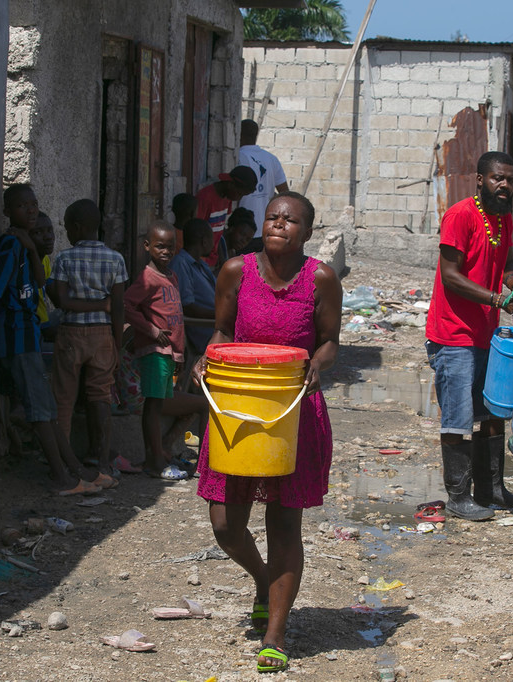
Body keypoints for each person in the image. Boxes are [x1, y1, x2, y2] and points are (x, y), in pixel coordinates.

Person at [192, 191, 341, 673]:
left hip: (293, 414)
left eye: (291, 220)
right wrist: (204, 359)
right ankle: (261, 580)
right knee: (225, 525)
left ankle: (275, 634)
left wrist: (317, 365)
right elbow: (221, 332)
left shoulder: (320, 279)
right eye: (273, 218)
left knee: (283, 524)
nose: (279, 225)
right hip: (238, 412)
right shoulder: (237, 271)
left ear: (307, 231)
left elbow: (330, 341)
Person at [0, 184, 111, 494]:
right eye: (22, 206)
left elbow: (40, 282)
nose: (30, 210)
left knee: (48, 407)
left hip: (28, 336)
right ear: (7, 212)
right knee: (41, 409)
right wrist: (15, 313)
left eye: (33, 204)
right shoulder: (10, 245)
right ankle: (61, 477)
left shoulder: (24, 247)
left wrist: (30, 248)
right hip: (17, 333)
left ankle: (75, 470)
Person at [425, 151, 513, 521]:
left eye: (510, 180)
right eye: (498, 178)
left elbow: (508, 262)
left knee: (493, 411)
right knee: (459, 418)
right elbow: (451, 275)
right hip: (453, 334)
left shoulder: (504, 218)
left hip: (486, 332)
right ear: (480, 180)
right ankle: (458, 495)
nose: (505, 185)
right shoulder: (461, 215)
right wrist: (498, 298)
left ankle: (492, 489)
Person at [48, 198, 127, 482]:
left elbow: (64, 301)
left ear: (77, 227)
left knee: (64, 399)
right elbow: (117, 307)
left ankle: (64, 461)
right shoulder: (115, 259)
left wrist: (83, 304)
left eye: (68, 227)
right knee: (100, 397)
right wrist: (116, 343)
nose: (67, 232)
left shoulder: (64, 259)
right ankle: (102, 460)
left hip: (70, 334)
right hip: (103, 335)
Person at [124, 220, 189, 481]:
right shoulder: (147, 278)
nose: (166, 252)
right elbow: (127, 305)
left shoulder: (170, 276)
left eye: (170, 247)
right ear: (147, 246)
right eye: (160, 246)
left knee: (158, 403)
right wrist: (150, 330)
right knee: (153, 405)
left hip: (168, 353)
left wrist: (179, 354)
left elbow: (174, 317)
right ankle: (156, 461)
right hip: (154, 350)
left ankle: (156, 457)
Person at [238, 119, 289, 253]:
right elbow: (285, 193)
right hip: (265, 229)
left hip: (241, 232)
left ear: (239, 133)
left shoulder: (237, 157)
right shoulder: (271, 159)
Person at [195, 165, 257, 270]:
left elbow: (219, 231)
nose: (239, 198)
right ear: (231, 184)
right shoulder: (205, 197)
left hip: (214, 260)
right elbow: (196, 232)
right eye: (239, 193)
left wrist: (222, 259)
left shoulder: (227, 198)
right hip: (201, 260)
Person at [170, 218, 217, 354]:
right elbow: (188, 308)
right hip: (205, 328)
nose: (214, 244)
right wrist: (220, 315)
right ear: (204, 241)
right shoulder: (181, 264)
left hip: (216, 323)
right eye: (211, 239)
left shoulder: (201, 264)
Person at [29, 212, 59, 342]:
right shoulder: (25, 262)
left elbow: (57, 299)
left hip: (43, 323)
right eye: (38, 232)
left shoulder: (45, 260)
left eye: (49, 231)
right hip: (32, 325)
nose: (48, 237)